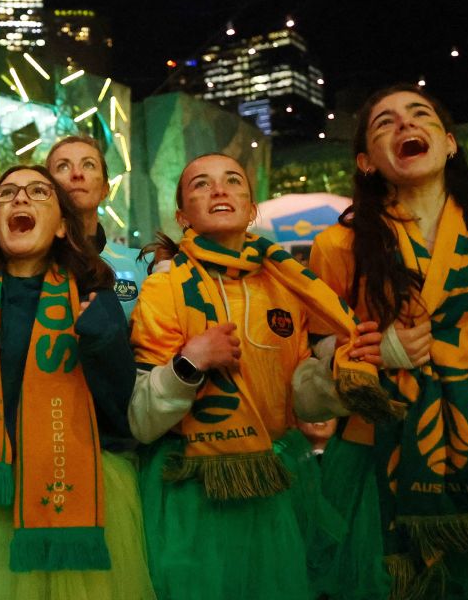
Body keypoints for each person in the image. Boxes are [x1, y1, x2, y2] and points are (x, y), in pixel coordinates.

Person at [307, 84, 468, 599]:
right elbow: (321, 355)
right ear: (365, 162)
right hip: (374, 455)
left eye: (419, 114)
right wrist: (378, 351)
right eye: (385, 122)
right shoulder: (337, 245)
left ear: (449, 143)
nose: (404, 125)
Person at [127, 153, 380, 600]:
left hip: (274, 485)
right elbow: (143, 420)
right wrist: (189, 364)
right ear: (183, 216)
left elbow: (300, 398)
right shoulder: (163, 288)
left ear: (251, 207)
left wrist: (337, 366)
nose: (219, 190)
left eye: (232, 182)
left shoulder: (286, 284)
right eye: (201, 184)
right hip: (190, 495)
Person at [0, 165, 153, 600]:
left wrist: (103, 340)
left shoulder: (92, 292)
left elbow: (118, 412)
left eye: (38, 192)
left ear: (60, 227)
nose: (20, 199)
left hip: (77, 486)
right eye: (7, 193)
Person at [47, 136, 144, 317]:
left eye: (89, 165)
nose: (77, 174)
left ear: (105, 189)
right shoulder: (29, 265)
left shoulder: (141, 265)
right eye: (63, 166)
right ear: (47, 189)